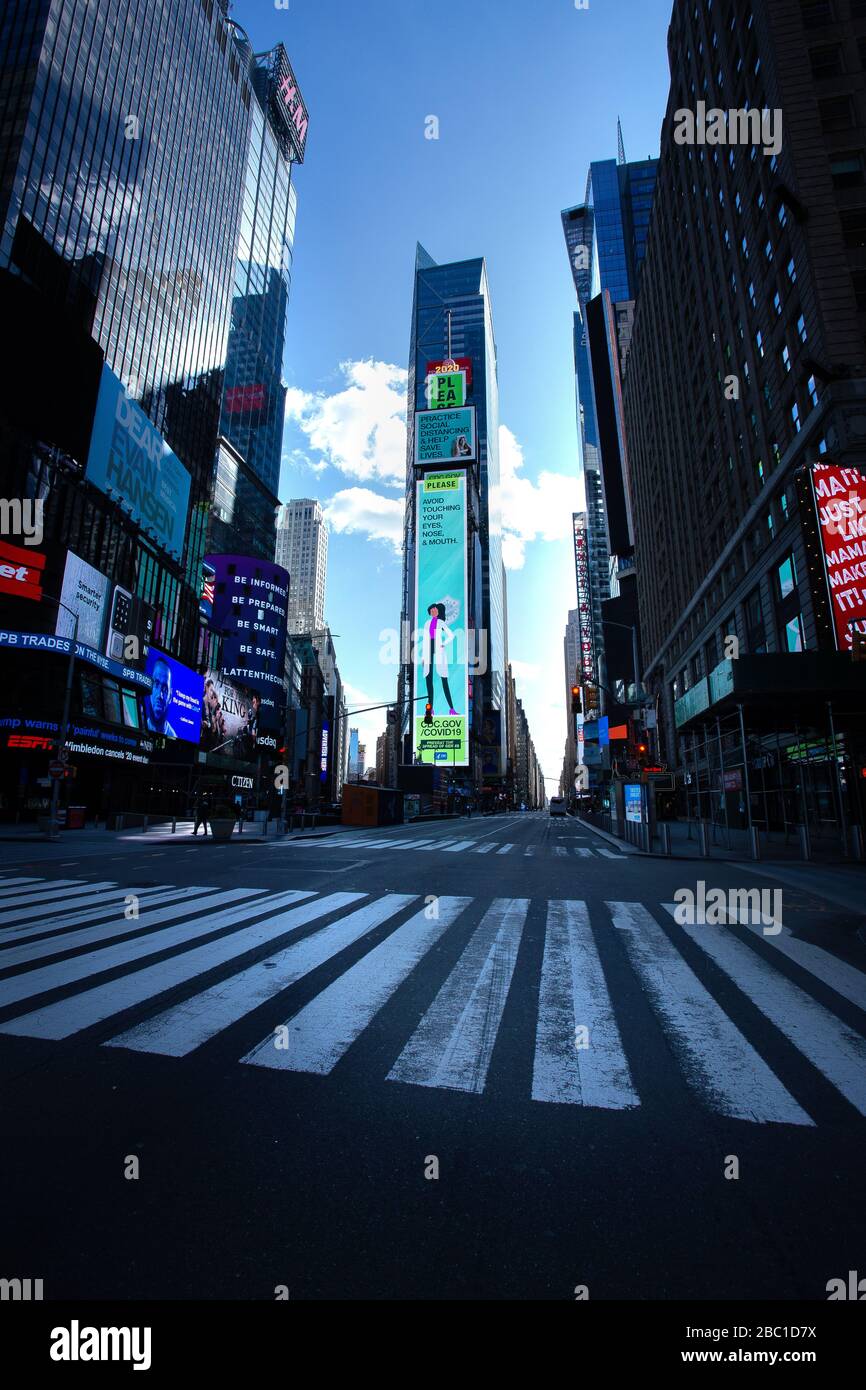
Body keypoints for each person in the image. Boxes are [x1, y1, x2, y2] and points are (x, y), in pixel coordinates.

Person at [421, 601, 458, 722]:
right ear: (430, 612)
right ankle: (430, 708)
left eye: (435, 610)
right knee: (428, 679)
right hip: (428, 651)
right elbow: (425, 641)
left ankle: (451, 709)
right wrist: (423, 657)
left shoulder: (441, 622)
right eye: (431, 610)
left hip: (438, 650)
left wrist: (443, 644)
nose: (433, 611)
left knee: (444, 679)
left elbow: (451, 636)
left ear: (438, 611)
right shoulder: (427, 623)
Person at [144, 657, 177, 737]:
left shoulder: (173, 736)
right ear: (149, 686)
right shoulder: (138, 727)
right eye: (156, 684)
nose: (160, 695)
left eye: (165, 689)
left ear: (170, 696)